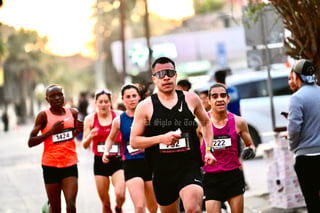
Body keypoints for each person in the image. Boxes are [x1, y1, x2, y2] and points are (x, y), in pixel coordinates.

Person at [130, 56, 216, 213]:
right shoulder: (145, 106)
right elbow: (134, 141)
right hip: (162, 171)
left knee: (193, 209)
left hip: (189, 166)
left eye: (170, 73)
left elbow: (206, 123)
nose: (166, 77)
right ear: (154, 79)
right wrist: (161, 139)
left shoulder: (191, 99)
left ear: (176, 75)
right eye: (161, 74)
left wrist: (209, 150)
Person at [28, 84, 83, 213]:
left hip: (70, 164)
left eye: (60, 95)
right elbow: (30, 142)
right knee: (56, 209)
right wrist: (51, 132)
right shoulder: (43, 116)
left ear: (64, 96)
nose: (57, 98)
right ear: (47, 99)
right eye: (53, 96)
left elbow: (71, 136)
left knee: (71, 205)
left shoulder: (73, 113)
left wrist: (78, 131)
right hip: (50, 166)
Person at [201, 83, 256, 213]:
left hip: (233, 176)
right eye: (215, 96)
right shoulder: (201, 122)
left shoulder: (239, 122)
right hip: (211, 177)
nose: (219, 99)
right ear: (209, 101)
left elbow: (250, 145)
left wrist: (250, 152)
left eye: (223, 96)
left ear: (228, 99)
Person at [102, 84, 158, 213]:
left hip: (150, 163)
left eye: (134, 96)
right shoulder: (119, 120)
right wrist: (106, 151)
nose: (132, 99)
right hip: (131, 164)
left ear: (139, 97)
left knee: (153, 208)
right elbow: (111, 138)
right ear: (122, 99)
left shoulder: (148, 116)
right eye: (128, 96)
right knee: (139, 207)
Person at [82, 88, 125, 213]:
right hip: (100, 162)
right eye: (100, 102)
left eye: (106, 101)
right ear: (96, 103)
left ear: (110, 102)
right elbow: (85, 145)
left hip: (118, 159)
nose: (103, 104)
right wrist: (91, 136)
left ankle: (119, 208)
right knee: (105, 203)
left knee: (120, 194)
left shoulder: (119, 115)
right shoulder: (90, 119)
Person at [287, 59, 320, 213]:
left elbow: (294, 129)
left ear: (296, 76)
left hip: (306, 157)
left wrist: (292, 147)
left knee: (312, 199)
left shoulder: (297, 98)